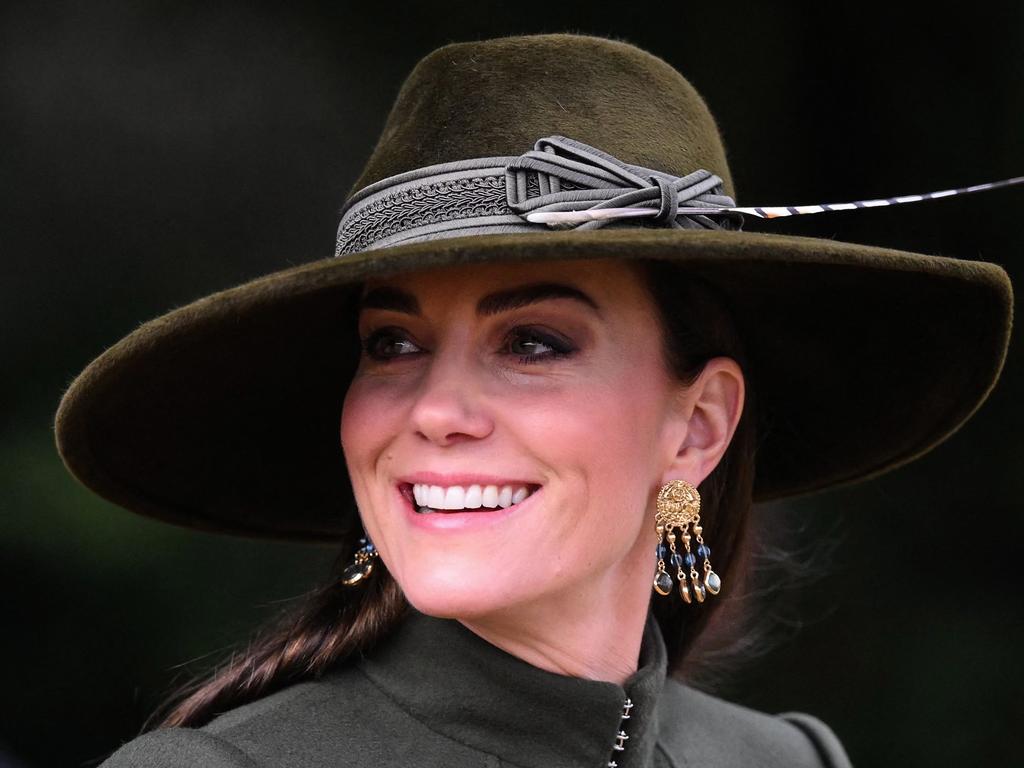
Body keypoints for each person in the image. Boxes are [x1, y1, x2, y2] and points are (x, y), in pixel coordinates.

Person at [53, 32, 1013, 768]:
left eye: (533, 343)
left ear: (699, 425)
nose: (436, 409)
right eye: (392, 344)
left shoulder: (788, 760)